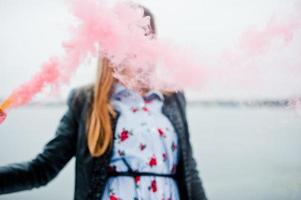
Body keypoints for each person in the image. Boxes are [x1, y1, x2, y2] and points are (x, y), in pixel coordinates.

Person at [0, 5, 208, 200]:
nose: (140, 46)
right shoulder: (85, 101)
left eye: (146, 35)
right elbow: (42, 169)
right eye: (131, 36)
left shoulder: (173, 98)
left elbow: (189, 169)